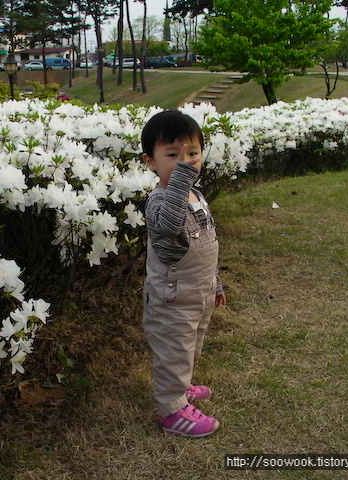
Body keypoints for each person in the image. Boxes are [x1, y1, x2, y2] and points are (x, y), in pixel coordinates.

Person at [141, 110, 227, 438]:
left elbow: (208, 244)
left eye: (192, 153)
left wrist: (214, 283)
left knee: (192, 344)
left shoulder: (197, 196)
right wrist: (180, 179)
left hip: (199, 291)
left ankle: (182, 385)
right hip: (171, 299)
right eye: (173, 155)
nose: (186, 162)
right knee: (174, 350)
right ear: (151, 162)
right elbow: (170, 226)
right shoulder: (160, 202)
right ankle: (172, 411)